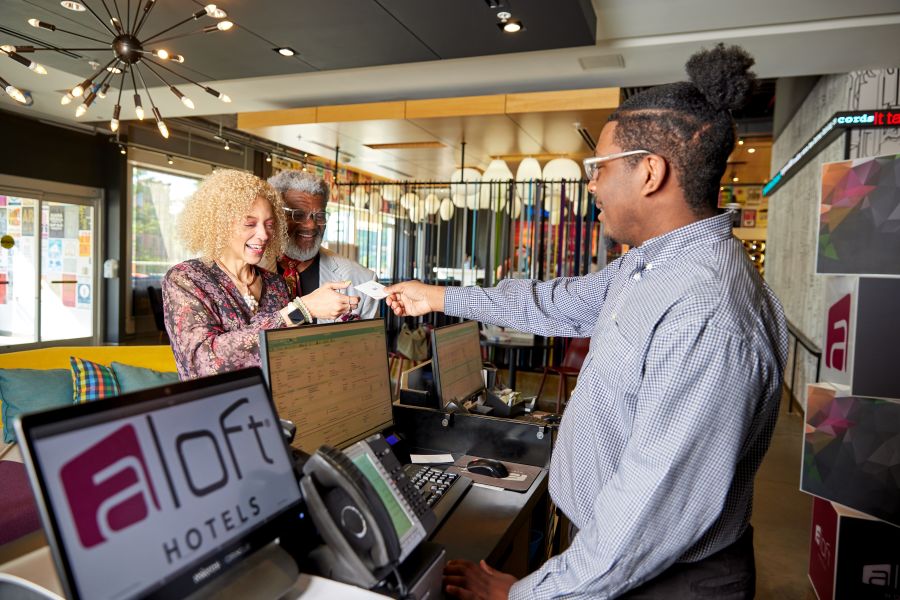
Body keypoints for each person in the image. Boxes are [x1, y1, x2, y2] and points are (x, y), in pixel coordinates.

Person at [385, 44, 787, 599]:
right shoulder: (654, 265)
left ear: (650, 172)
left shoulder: (706, 311)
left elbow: (652, 510)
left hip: (658, 577)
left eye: (598, 168)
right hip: (609, 556)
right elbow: (557, 303)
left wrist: (522, 596)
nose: (591, 185)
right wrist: (441, 297)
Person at [163, 169, 358, 380]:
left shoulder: (275, 284)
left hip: (277, 409)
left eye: (269, 224)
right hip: (219, 410)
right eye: (250, 223)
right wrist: (301, 310)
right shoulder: (186, 279)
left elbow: (289, 357)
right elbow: (203, 363)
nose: (264, 235)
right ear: (218, 225)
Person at [268, 170, 378, 322]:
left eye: (319, 216)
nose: (311, 225)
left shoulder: (361, 280)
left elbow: (369, 344)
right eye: (298, 215)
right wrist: (305, 310)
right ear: (275, 215)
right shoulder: (245, 272)